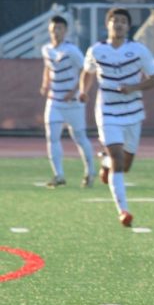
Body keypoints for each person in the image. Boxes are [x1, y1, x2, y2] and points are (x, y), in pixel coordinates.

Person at [78, 8, 154, 227]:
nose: (119, 24)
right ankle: (123, 210)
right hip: (107, 112)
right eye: (115, 21)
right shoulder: (96, 50)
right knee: (117, 158)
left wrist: (133, 87)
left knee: (125, 165)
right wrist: (83, 90)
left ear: (128, 27)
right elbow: (88, 72)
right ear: (108, 25)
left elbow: (153, 80)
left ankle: (105, 164)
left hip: (133, 113)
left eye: (123, 21)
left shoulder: (139, 50)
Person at [40, 16, 94, 188]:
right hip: (54, 101)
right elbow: (48, 67)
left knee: (79, 137)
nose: (56, 32)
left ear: (66, 30)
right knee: (52, 137)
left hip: (73, 102)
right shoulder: (46, 49)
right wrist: (45, 84)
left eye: (60, 28)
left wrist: (74, 91)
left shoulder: (72, 51)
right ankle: (59, 175)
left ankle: (89, 172)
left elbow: (85, 70)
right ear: (49, 30)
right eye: (54, 28)